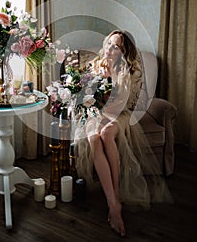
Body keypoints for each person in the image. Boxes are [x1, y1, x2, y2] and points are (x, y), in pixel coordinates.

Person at [74, 30, 172, 237]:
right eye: (109, 43)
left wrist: (110, 80)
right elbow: (86, 98)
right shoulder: (94, 66)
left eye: (116, 46)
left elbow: (121, 105)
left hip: (119, 115)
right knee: (94, 138)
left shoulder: (126, 71)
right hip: (97, 113)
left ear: (123, 52)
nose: (110, 49)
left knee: (107, 134)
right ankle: (113, 204)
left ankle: (115, 196)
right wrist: (93, 88)